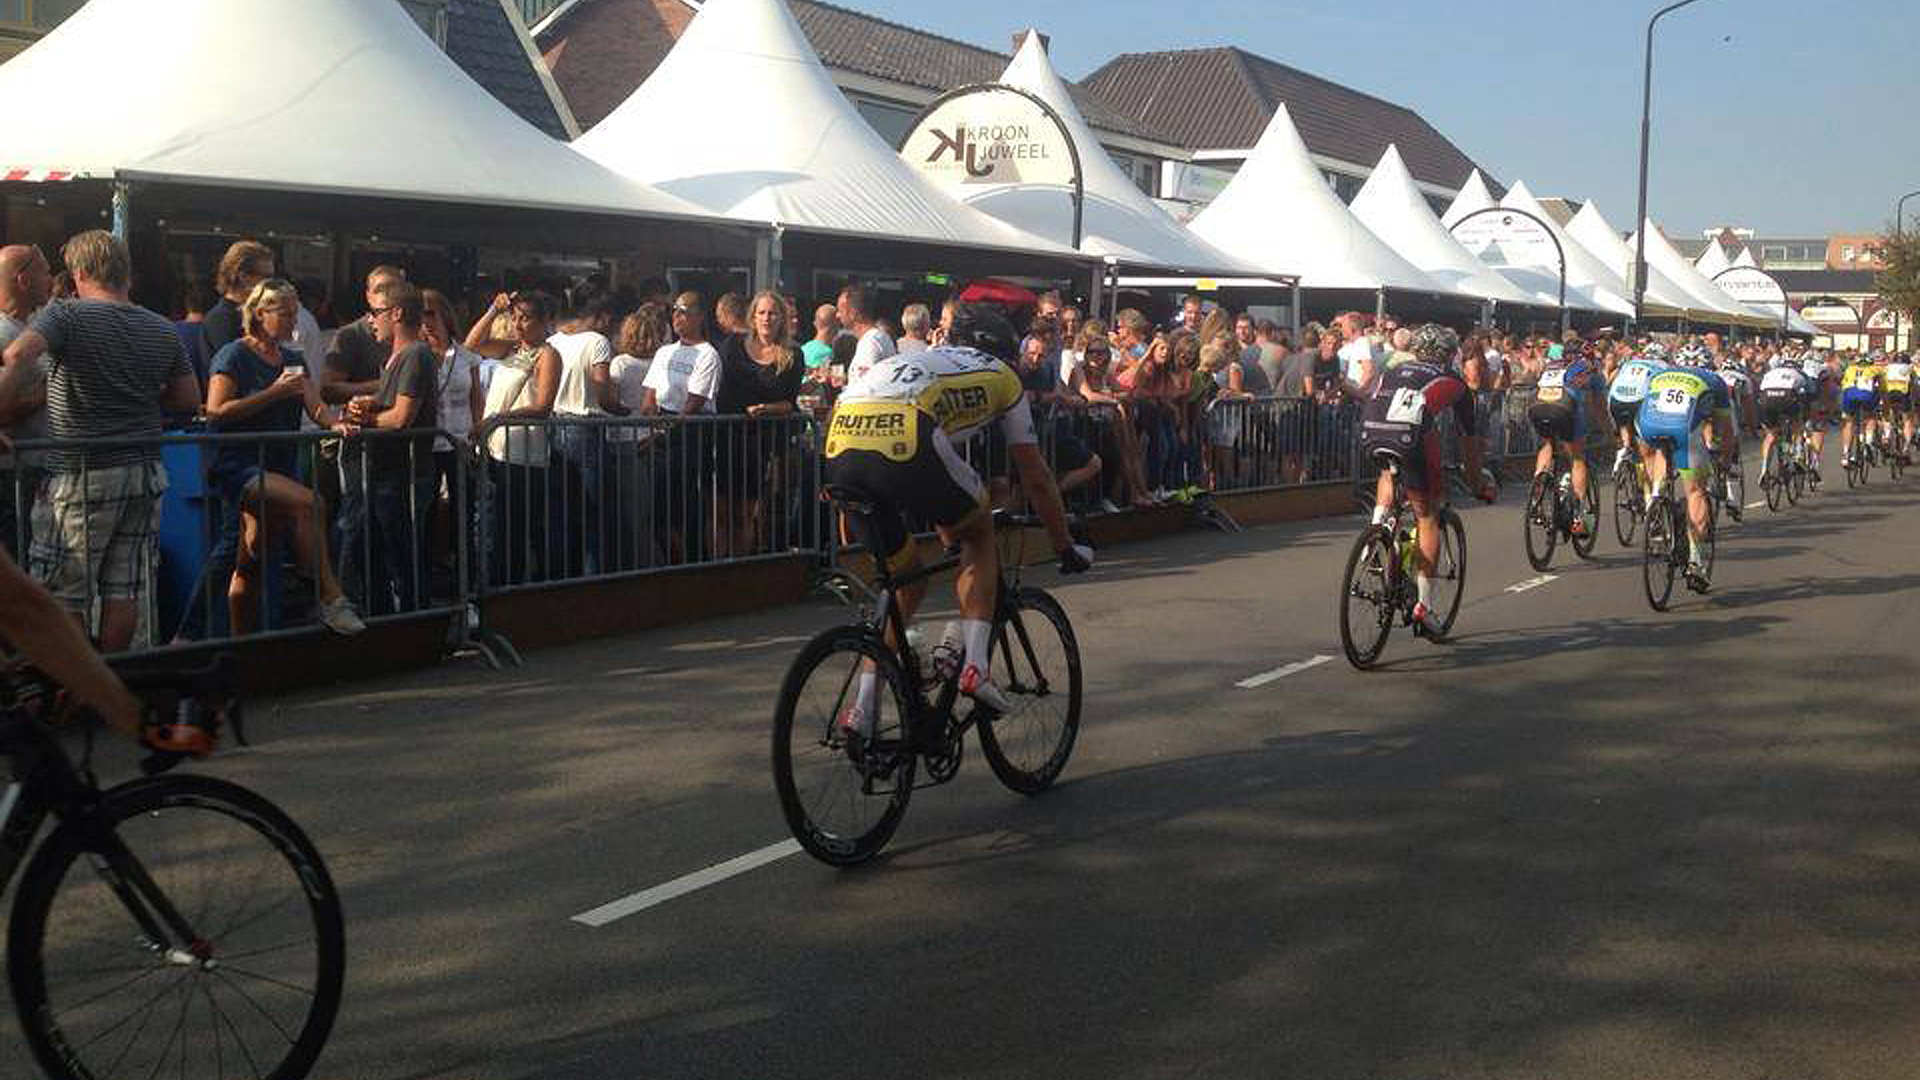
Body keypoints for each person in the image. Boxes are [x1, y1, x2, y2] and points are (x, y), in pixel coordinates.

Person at [823, 304, 1092, 733]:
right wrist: (1064, 545)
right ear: (1007, 354)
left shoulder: (922, 358)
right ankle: (976, 669)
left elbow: (938, 472)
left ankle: (863, 708)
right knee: (980, 532)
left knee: (906, 581)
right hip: (906, 437)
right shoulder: (1004, 378)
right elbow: (1036, 476)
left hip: (840, 444)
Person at [0, 231, 199, 651]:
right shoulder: (161, 327)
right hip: (144, 470)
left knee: (64, 590)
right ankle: (110, 678)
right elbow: (188, 399)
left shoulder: (66, 316)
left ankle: (72, 693)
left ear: (81, 271)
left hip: (80, 472)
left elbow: (18, 356)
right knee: (122, 589)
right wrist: (140, 395)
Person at [204, 279, 363, 635]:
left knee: (250, 560)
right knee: (314, 504)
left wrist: (335, 424)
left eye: (296, 311)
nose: (294, 319)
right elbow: (216, 410)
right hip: (240, 465)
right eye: (286, 312)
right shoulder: (233, 354)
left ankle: (241, 642)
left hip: (279, 464)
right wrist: (271, 394)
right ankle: (330, 598)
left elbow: (315, 404)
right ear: (260, 314)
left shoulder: (292, 359)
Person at [1359, 324, 1495, 637]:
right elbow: (1468, 443)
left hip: (1370, 429)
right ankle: (1424, 606)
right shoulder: (1455, 382)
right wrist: (1476, 483)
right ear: (1450, 355)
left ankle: (1378, 528)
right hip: (1411, 436)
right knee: (1427, 516)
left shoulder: (1395, 366)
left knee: (1387, 471)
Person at [348, 280, 439, 613]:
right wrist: (367, 405)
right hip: (386, 473)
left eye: (376, 312)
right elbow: (392, 408)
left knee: (400, 556)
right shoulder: (399, 357)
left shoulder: (415, 353)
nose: (371, 320)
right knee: (365, 546)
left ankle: (413, 624)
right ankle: (386, 619)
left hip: (404, 475)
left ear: (397, 313)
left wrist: (365, 421)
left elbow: (402, 417)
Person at [324, 265, 407, 603]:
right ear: (368, 295)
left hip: (396, 448)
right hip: (360, 443)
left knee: (385, 524)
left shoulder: (408, 338)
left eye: (395, 289)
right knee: (354, 518)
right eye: (380, 290)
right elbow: (328, 388)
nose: (387, 296)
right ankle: (343, 596)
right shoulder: (351, 335)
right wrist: (384, 386)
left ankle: (380, 595)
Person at [470, 291, 561, 584]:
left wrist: (496, 419)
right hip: (496, 449)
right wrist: (493, 311)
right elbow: (471, 346)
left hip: (524, 455)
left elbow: (542, 405)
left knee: (514, 528)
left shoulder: (547, 354)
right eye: (516, 317)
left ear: (544, 321)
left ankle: (511, 587)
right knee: (493, 525)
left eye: (527, 318)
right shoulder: (511, 349)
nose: (519, 324)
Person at [713, 291, 803, 557]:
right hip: (725, 435)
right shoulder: (732, 345)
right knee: (720, 511)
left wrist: (767, 409)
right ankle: (718, 570)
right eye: (762, 312)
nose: (767, 318)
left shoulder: (792, 354)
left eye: (772, 313)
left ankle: (741, 569)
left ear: (782, 318)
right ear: (752, 316)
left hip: (759, 442)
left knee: (745, 513)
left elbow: (790, 403)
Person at [1636, 359, 1735, 590]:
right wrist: (1726, 460)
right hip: (1682, 429)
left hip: (1649, 426)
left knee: (1660, 448)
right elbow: (1726, 430)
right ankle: (1696, 562)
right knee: (1695, 492)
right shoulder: (1715, 381)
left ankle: (1655, 498)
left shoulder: (1662, 373)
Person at [547, 289, 624, 576]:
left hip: (555, 427)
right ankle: (595, 578)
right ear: (602, 317)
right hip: (586, 428)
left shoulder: (553, 341)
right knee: (595, 511)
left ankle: (559, 574)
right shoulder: (598, 342)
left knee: (561, 510)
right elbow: (602, 390)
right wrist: (623, 410)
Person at [420, 289, 483, 580]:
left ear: (445, 314)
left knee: (463, 509)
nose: (426, 321)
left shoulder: (466, 357)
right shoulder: (416, 355)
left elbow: (475, 399)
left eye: (430, 313)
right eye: (420, 315)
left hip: (460, 442)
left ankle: (465, 573)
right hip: (428, 444)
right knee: (427, 509)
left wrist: (477, 435)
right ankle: (426, 570)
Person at [0, 244, 52, 559]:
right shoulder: (4, 334)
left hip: (36, 470)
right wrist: (49, 393)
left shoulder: (34, 326)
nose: (50, 278)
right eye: (44, 270)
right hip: (12, 474)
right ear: (23, 280)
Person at [1526, 342, 1599, 536]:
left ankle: (1537, 493)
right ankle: (1578, 518)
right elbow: (1595, 401)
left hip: (1537, 406)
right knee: (1577, 458)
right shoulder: (1586, 367)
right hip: (1564, 408)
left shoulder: (1551, 365)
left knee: (1548, 445)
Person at [202, 240, 275, 359]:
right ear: (243, 277)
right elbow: (234, 367)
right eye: (266, 277)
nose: (272, 284)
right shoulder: (221, 319)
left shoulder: (254, 314)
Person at [1607, 342, 1667, 473]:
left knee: (1624, 424)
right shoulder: (1663, 366)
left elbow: (1610, 379)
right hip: (1639, 400)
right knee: (1648, 452)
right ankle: (1651, 491)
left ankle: (1625, 448)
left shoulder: (1630, 363)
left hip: (1616, 399)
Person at [838, 283, 895, 384]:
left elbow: (866, 390)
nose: (837, 315)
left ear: (853, 313)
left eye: (841, 310)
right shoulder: (876, 338)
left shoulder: (870, 344)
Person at [1838, 350, 1882, 470]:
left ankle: (1846, 454)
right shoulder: (1875, 369)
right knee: (1871, 416)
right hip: (1867, 396)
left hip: (1850, 395)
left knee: (1848, 422)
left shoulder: (1849, 369)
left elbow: (1843, 386)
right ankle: (1868, 441)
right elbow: (1881, 388)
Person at [1883, 351, 1914, 462]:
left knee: (1887, 416)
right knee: (1907, 421)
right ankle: (1905, 448)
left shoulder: (1888, 367)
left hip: (1889, 394)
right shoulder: (1910, 367)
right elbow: (1913, 384)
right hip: (1903, 395)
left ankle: (1886, 436)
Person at [801, 303, 839, 376]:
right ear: (836, 324)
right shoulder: (826, 352)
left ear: (815, 323)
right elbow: (821, 380)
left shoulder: (803, 348)